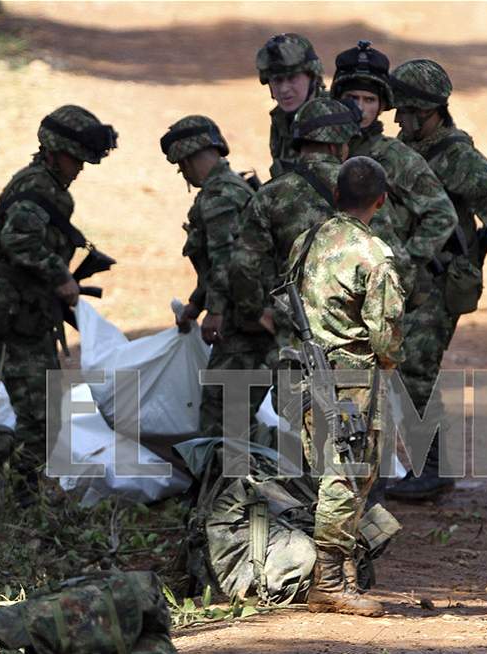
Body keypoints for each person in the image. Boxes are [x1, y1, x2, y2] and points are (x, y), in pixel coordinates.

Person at [382, 58, 487, 501]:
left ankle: (436, 467)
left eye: (406, 112)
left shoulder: (456, 156)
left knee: (415, 367)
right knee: (402, 366)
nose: (398, 119)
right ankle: (430, 464)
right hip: (411, 277)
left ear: (430, 111)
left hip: (440, 282)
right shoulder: (408, 146)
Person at [0, 105, 117, 503]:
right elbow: (17, 240)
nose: (79, 167)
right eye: (75, 158)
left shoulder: (43, 185)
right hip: (13, 317)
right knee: (41, 415)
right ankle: (20, 497)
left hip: (24, 313)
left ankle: (25, 490)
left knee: (48, 408)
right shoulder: (40, 188)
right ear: (52, 150)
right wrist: (59, 276)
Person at [285, 156, 405, 616]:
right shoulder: (374, 254)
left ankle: (344, 571)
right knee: (349, 472)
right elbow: (384, 330)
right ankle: (330, 581)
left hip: (305, 369)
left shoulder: (306, 240)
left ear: (336, 195)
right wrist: (389, 361)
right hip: (352, 377)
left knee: (327, 467)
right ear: (381, 200)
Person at [230, 97, 362, 358]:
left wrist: (257, 311)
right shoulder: (362, 189)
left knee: (296, 399)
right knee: (353, 398)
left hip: (295, 331)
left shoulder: (270, 194)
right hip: (354, 333)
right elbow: (394, 258)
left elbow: (242, 265)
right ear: (338, 145)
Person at [160, 116, 264, 437]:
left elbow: (226, 258)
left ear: (190, 157)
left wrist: (215, 311)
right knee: (231, 407)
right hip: (248, 313)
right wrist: (196, 303)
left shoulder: (220, 196)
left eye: (182, 166)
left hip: (243, 318)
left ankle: (228, 484)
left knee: (221, 411)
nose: (183, 174)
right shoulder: (232, 188)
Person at [330, 40, 457, 300]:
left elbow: (442, 215)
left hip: (379, 290)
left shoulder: (397, 157)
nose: (360, 108)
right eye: (352, 98)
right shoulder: (321, 149)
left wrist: (403, 261)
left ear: (382, 106)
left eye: (369, 100)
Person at [256, 32, 327, 179]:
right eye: (277, 80)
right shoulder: (281, 118)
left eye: (292, 78)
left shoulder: (334, 117)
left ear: (313, 77)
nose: (284, 89)